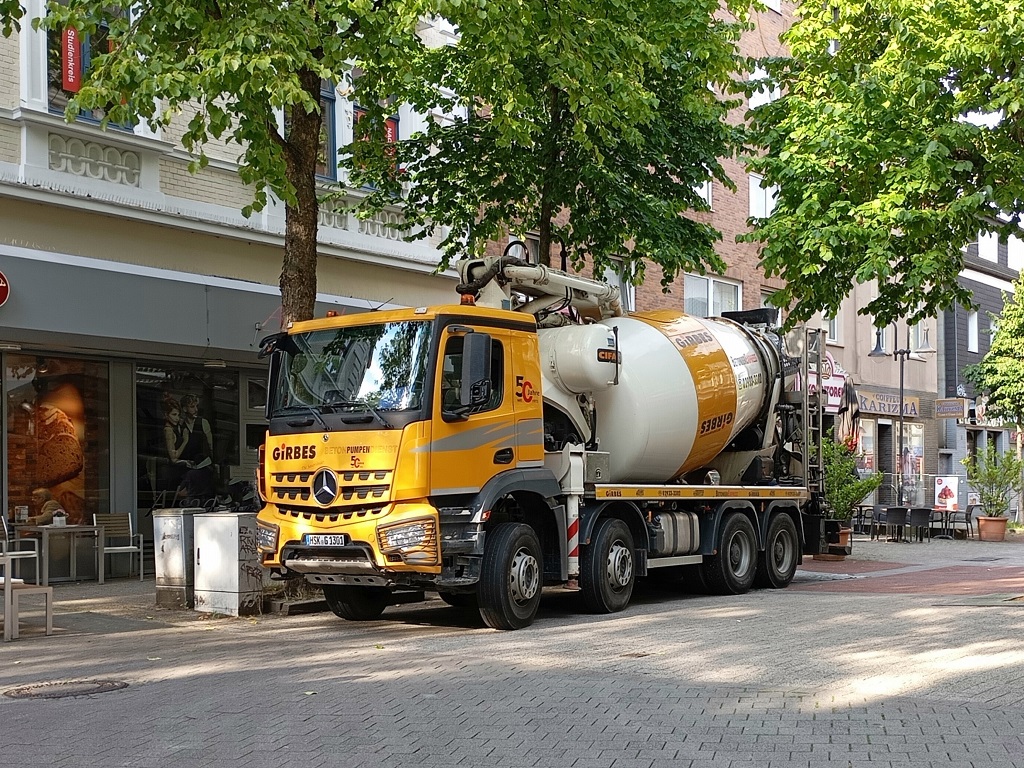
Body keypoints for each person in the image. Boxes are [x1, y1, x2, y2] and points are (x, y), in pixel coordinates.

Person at [177, 393, 215, 499]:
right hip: (187, 464)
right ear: (185, 409)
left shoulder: (203, 422)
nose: (196, 410)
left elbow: (210, 444)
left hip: (203, 464)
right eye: (192, 407)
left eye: (196, 406)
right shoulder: (181, 425)